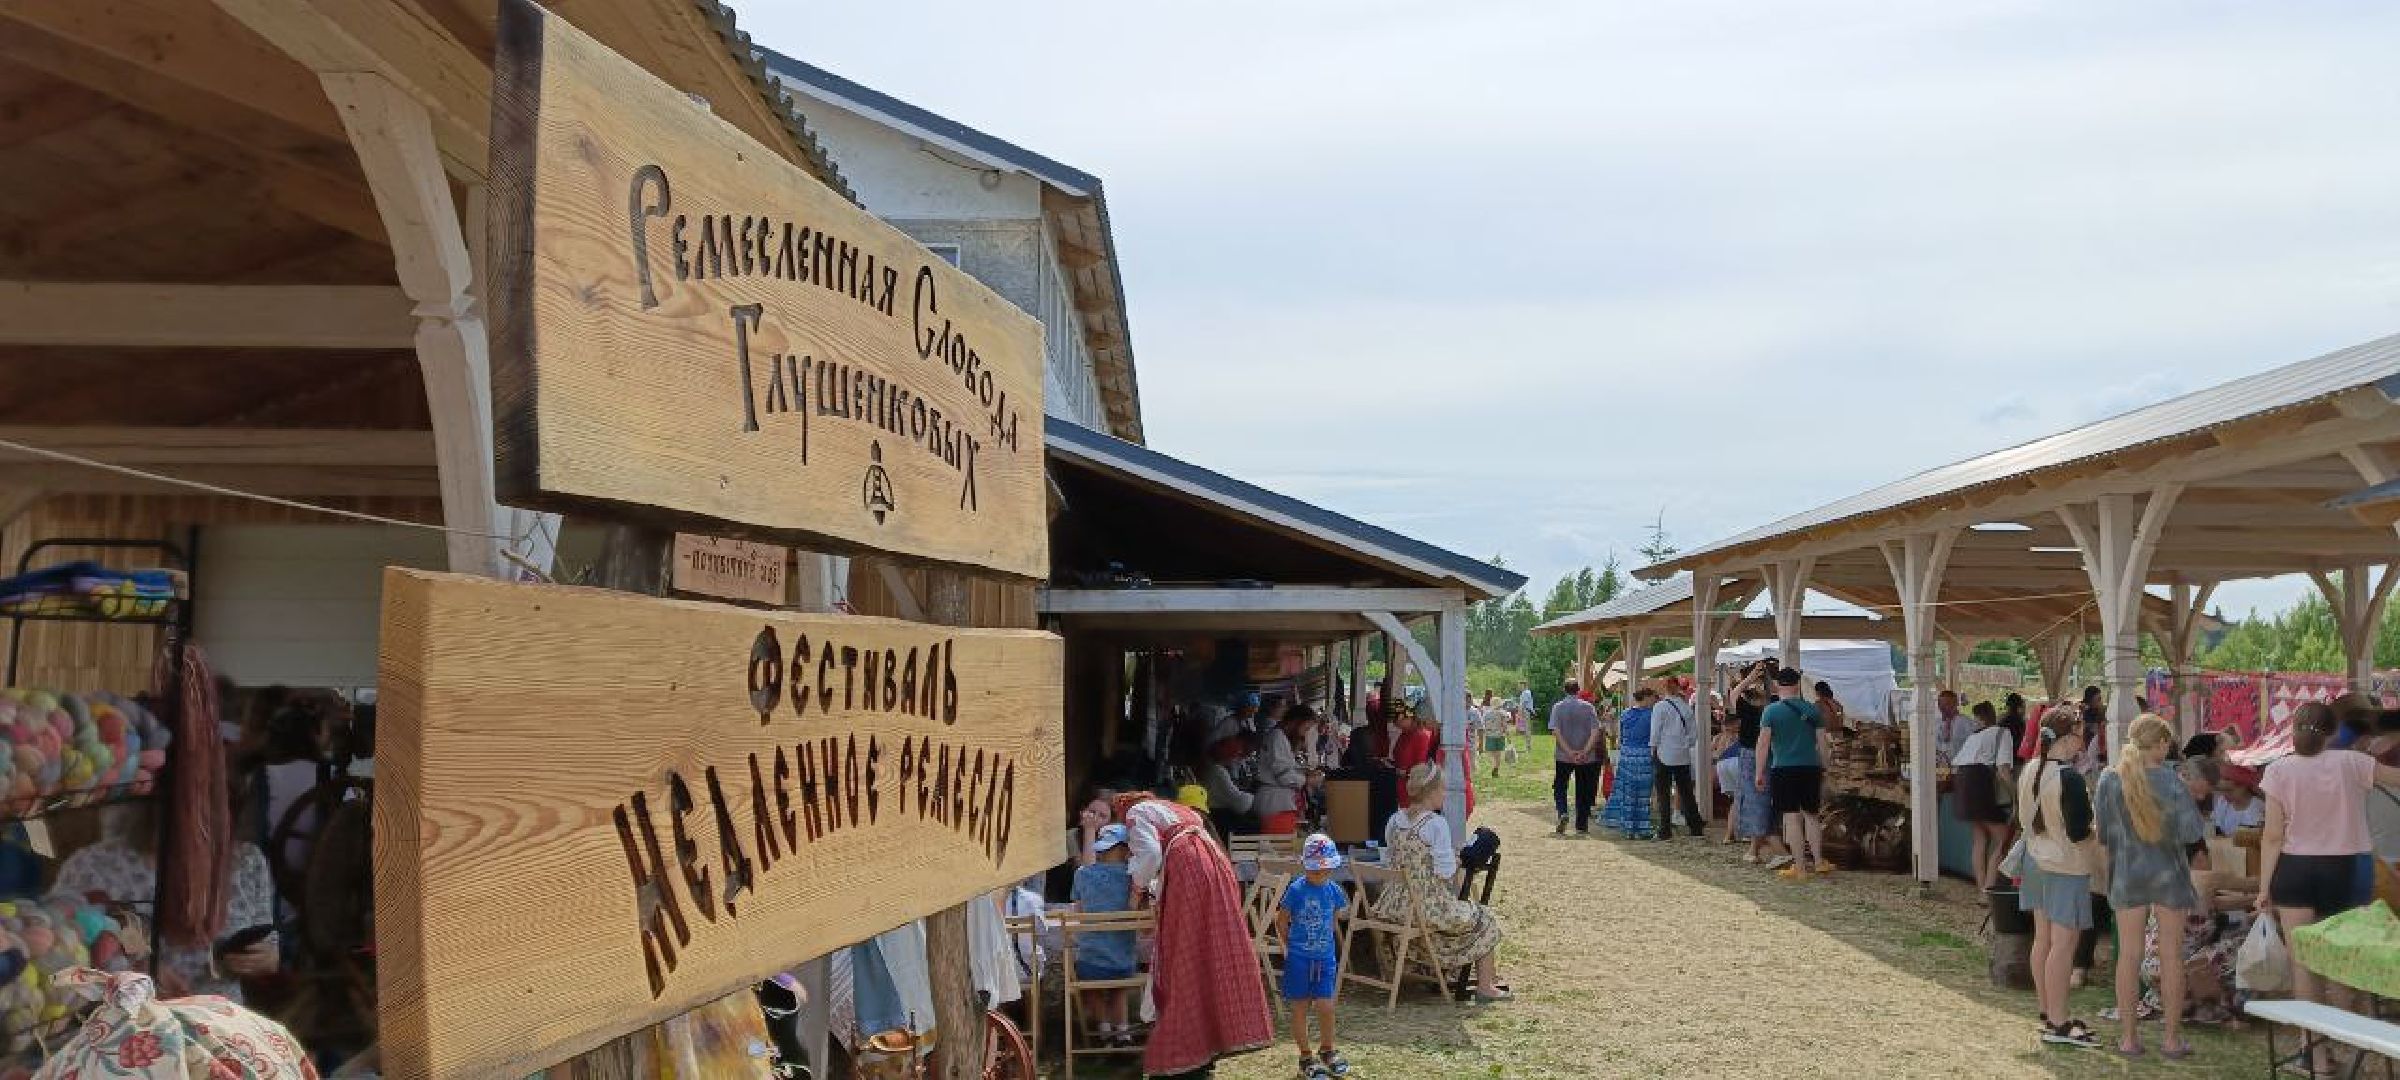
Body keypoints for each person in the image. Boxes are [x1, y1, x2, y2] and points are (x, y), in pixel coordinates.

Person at [2257, 701, 2400, 1059]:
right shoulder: (2353, 762)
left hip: (2294, 869)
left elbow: (2272, 836)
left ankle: (2315, 1055)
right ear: (2333, 732)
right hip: (2346, 869)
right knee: (2343, 958)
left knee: (2302, 962)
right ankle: (2350, 1047)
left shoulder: (2278, 770)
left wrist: (2263, 887)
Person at [53, 801, 277, 1002]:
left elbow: (269, 948)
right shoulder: (95, 866)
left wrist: (264, 959)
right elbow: (57, 953)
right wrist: (132, 970)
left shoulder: (247, 861)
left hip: (219, 1019)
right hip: (129, 1020)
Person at [1116, 794, 1274, 1075]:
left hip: (1189, 870)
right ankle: (1211, 1038)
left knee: (1183, 956)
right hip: (1215, 864)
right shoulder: (1178, 811)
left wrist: (1137, 888)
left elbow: (1150, 854)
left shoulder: (1135, 813)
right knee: (1208, 953)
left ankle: (1188, 1046)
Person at [2094, 714, 2204, 1059]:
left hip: (2127, 875)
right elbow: (2192, 832)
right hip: (2169, 876)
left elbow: (2103, 834)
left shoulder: (2110, 779)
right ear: (2160, 744)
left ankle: (2128, 1039)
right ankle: (2171, 1040)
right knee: (2171, 956)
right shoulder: (2173, 782)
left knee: (2129, 956)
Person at [1375, 764, 1510, 1003]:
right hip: (1426, 907)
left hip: (1394, 905)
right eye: (1442, 789)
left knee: (1462, 917)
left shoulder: (1395, 820)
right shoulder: (1435, 824)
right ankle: (1485, 986)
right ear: (1431, 791)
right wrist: (1456, 859)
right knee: (1484, 916)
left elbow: (1392, 858)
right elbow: (1445, 873)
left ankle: (1459, 973)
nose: (1444, 794)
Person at [2018, 705, 2100, 1049]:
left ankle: (2048, 1011)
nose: (2084, 739)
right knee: (2063, 944)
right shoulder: (2069, 778)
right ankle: (2059, 1021)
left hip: (2035, 859)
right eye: (2081, 733)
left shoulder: (2031, 768)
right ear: (2069, 737)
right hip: (2065, 864)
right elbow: (2079, 832)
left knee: (2043, 939)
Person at [1278, 834, 1350, 1079]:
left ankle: (1328, 1049)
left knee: (1326, 1006)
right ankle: (1306, 1056)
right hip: (1299, 959)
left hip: (1325, 958)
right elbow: (1281, 920)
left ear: (1331, 868)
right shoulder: (1296, 889)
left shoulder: (1334, 890)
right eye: (1313, 870)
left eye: (1323, 870)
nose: (1318, 874)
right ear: (1305, 866)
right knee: (1300, 1007)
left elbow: (1337, 916)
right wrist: (1288, 946)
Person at [1757, 668, 1830, 879]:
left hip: (1783, 768)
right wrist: (1825, 766)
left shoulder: (1771, 711)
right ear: (1797, 685)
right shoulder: (1812, 710)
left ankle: (1800, 867)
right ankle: (1818, 862)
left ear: (1777, 685)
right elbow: (1822, 744)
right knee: (1812, 815)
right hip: (1810, 767)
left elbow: (1763, 744)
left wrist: (1759, 772)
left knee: (1791, 817)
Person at [1071, 823, 1139, 1046]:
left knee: (1092, 983)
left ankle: (1104, 1030)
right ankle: (1123, 1031)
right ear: (1124, 849)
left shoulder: (1082, 875)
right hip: (1123, 963)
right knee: (1119, 986)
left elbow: (1078, 912)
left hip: (1091, 962)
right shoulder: (1133, 878)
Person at [1952, 700, 2017, 890]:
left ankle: (1981, 887)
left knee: (1980, 839)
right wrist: (2016, 795)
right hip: (1980, 783)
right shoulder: (2003, 733)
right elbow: (2003, 770)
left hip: (1962, 782)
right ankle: (1989, 889)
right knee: (2004, 838)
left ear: (1979, 718)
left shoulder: (1974, 737)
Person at [1649, 674, 1704, 841]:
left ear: (1664, 688)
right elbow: (1693, 735)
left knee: (1663, 793)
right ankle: (1695, 827)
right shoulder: (1686, 707)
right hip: (1682, 754)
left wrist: (1653, 748)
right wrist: (1683, 744)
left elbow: (1655, 732)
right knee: (1686, 792)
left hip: (1663, 753)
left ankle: (1665, 830)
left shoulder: (1660, 707)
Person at [1549, 681, 1604, 836]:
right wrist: (1585, 751)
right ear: (1578, 690)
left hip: (1563, 756)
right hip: (1586, 757)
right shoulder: (1588, 707)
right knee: (1583, 789)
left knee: (1560, 786)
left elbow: (1556, 731)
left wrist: (1569, 752)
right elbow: (1595, 731)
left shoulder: (1558, 707)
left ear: (1564, 690)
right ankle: (1581, 824)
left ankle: (1562, 812)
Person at [1600, 689, 1657, 840]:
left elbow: (1619, 736)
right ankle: (1642, 826)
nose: (1654, 701)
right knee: (1643, 793)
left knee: (1627, 791)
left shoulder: (1625, 713)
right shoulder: (1651, 714)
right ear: (1646, 698)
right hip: (1644, 756)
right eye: (1653, 698)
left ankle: (1627, 825)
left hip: (1626, 755)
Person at [1256, 706, 1314, 836]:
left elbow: (1285, 767)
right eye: (1305, 728)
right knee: (1280, 846)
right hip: (1275, 804)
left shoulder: (1280, 737)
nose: (1304, 734)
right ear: (1296, 722)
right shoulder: (1277, 737)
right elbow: (1284, 775)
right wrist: (1307, 780)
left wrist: (1304, 773)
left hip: (1277, 802)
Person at [1200, 740, 1258, 836]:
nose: (1237, 759)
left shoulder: (1215, 769)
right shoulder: (1219, 771)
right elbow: (1236, 798)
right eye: (1236, 755)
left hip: (1218, 813)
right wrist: (1254, 798)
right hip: (1220, 815)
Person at [1932, 690, 1974, 766]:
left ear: (1955, 704)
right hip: (1939, 766)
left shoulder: (1966, 722)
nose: (1942, 707)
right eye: (1940, 704)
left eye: (1947, 703)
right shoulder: (1935, 723)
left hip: (1961, 765)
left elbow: (1972, 746)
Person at [1516, 682, 1536, 755]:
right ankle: (1527, 746)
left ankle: (1528, 747)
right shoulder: (1526, 692)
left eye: (1520, 686)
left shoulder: (1525, 693)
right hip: (1526, 711)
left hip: (1525, 711)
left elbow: (1523, 704)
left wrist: (1520, 713)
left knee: (1527, 729)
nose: (1519, 687)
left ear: (1524, 686)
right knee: (1526, 729)